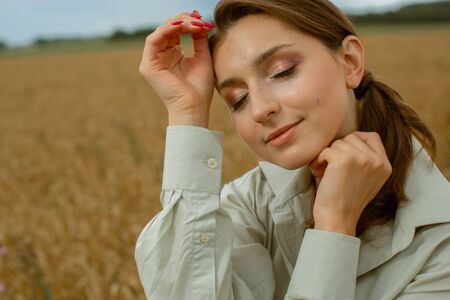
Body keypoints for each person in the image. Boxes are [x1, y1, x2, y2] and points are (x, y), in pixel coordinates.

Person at [135, 0, 450, 299]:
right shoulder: (250, 202)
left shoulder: (440, 244)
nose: (259, 109)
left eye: (283, 71)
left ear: (350, 62)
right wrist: (187, 113)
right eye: (237, 99)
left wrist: (334, 227)